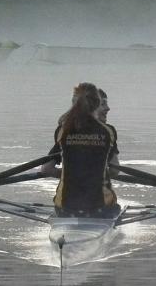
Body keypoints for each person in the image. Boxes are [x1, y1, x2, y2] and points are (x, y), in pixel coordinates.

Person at [41, 82, 120, 217]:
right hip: (100, 210)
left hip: (65, 209)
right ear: (95, 106)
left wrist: (72, 174)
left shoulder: (63, 130)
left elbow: (46, 169)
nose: (108, 109)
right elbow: (114, 170)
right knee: (112, 204)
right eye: (103, 104)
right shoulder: (108, 132)